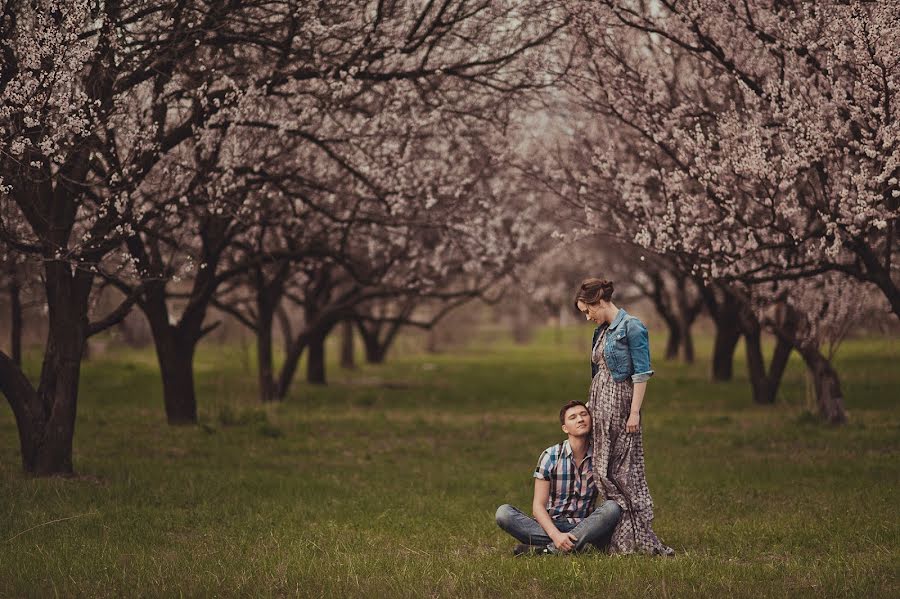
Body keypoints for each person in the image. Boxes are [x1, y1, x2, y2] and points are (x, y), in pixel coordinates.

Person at [575, 277, 675, 556]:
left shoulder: (632, 326)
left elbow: (641, 373)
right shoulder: (601, 331)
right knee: (601, 471)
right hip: (600, 404)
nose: (587, 317)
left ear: (600, 301)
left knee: (621, 473)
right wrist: (590, 403)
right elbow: (598, 372)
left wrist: (634, 413)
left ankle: (633, 535)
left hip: (621, 405)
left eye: (587, 310)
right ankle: (611, 533)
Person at [495, 400, 623, 555]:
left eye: (584, 415)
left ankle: (546, 550)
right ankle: (572, 545)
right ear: (565, 428)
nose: (580, 419)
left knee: (612, 508)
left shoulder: (599, 457)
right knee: (504, 513)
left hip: (585, 524)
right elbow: (538, 506)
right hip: (550, 525)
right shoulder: (551, 456)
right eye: (573, 417)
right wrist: (555, 535)